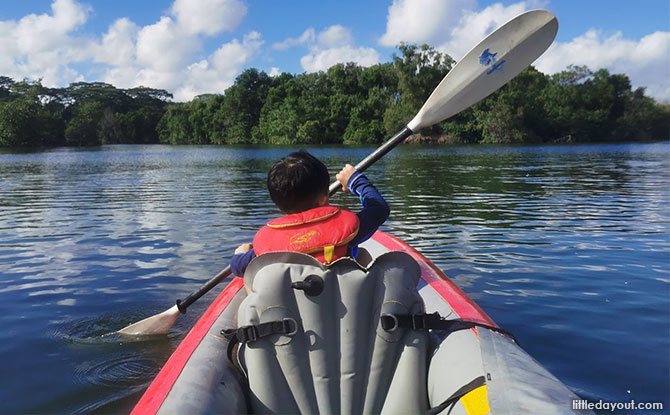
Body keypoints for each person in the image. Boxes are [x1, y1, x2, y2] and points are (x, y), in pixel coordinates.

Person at [231, 150, 389, 276]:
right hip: (340, 308)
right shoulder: (347, 231)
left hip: (292, 313)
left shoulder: (264, 248)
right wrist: (354, 180)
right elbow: (379, 209)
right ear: (322, 199)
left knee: (251, 279)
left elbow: (238, 267)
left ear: (277, 203)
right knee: (362, 254)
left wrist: (240, 254)